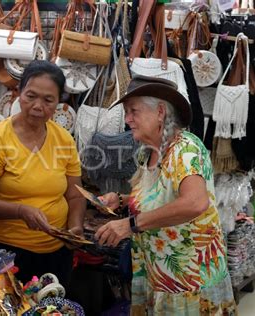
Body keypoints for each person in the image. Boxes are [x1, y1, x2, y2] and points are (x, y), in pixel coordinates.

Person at [95, 75, 237, 314]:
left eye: (133, 111)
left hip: (188, 281)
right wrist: (120, 200)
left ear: (160, 112)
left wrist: (130, 225)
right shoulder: (146, 154)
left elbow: (194, 202)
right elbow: (161, 198)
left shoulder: (185, 149)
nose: (127, 119)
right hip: (157, 275)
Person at [0, 60, 86, 285]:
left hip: (56, 253)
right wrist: (20, 211)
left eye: (48, 100)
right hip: (7, 256)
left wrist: (75, 228)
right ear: (18, 93)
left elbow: (75, 194)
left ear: (58, 102)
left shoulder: (63, 139)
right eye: (31, 96)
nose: (37, 106)